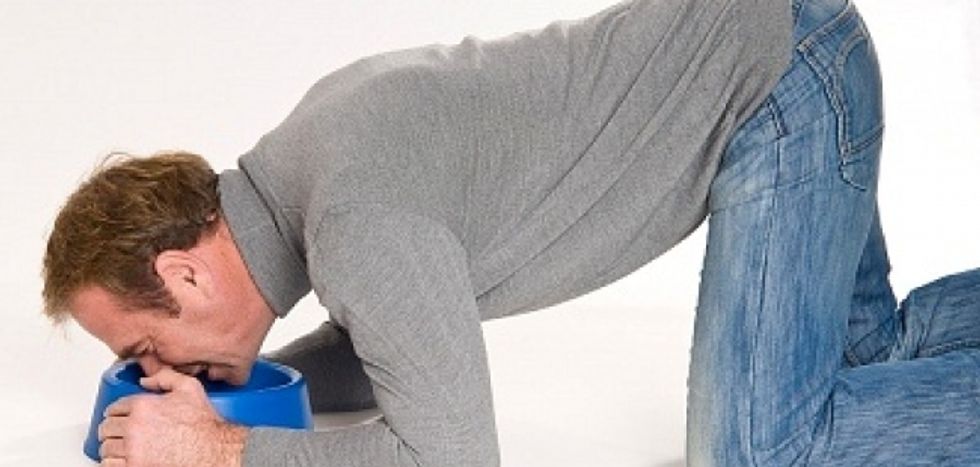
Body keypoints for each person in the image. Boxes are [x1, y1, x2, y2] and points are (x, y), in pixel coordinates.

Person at [41, 0, 979, 465]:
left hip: (778, 90)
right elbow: (390, 340)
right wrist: (250, 397)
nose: (155, 371)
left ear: (185, 274)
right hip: (789, 41)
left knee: (768, 448)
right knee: (864, 356)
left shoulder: (358, 220)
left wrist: (223, 449)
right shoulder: (305, 170)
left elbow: (454, 457)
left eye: (143, 348)